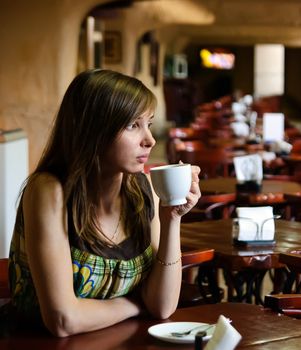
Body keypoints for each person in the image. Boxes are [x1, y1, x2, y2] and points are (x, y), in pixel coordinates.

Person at [6, 69, 201, 337]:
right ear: (93, 130)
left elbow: (162, 306)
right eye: (133, 125)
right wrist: (135, 303)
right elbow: (63, 320)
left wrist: (172, 219)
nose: (150, 140)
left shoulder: (144, 191)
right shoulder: (49, 191)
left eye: (149, 124)